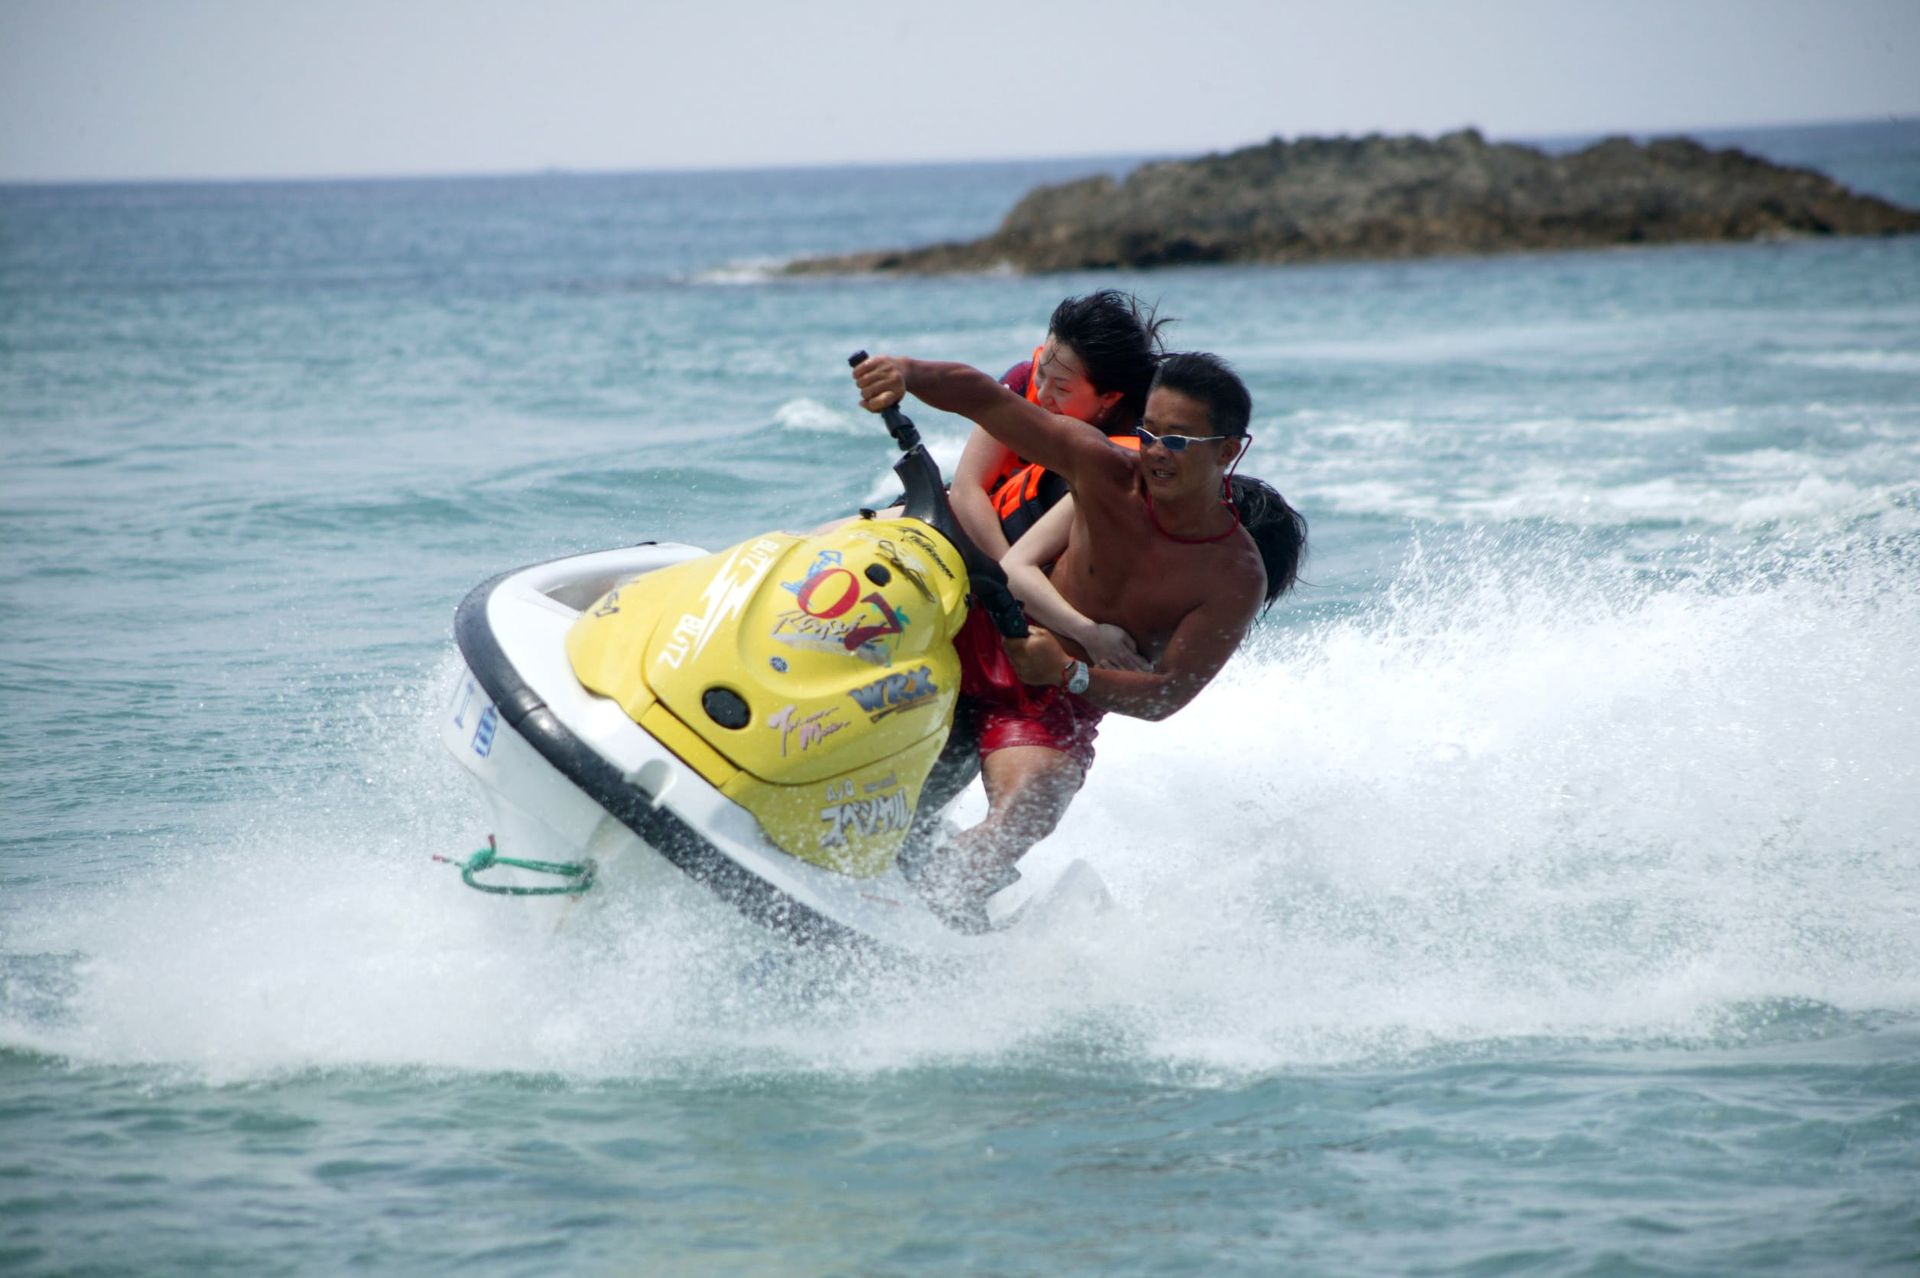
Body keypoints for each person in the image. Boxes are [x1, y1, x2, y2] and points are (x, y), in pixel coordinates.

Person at [852, 349, 1306, 928]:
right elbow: (991, 402)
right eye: (1150, 433)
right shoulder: (1104, 470)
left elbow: (1167, 695)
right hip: (978, 638)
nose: (1157, 454)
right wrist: (907, 374)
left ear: (1228, 450)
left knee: (1029, 809)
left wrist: (1071, 673)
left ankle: (918, 923)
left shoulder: (1234, 577)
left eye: (1180, 441)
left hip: (1053, 704)